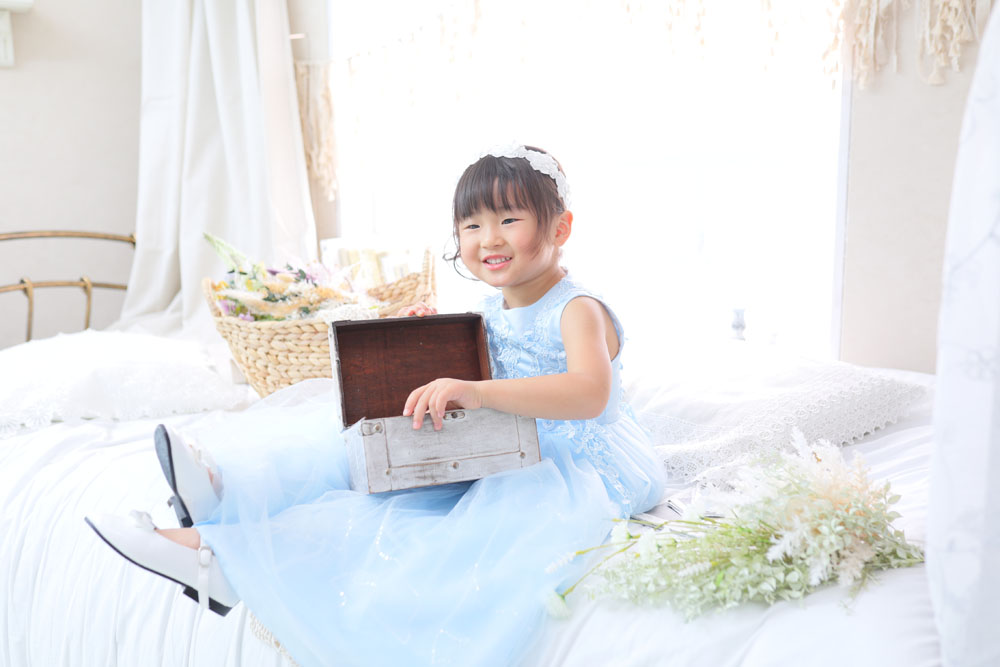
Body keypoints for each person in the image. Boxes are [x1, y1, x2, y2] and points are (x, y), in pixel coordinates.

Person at [86, 144, 666, 666]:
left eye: (509, 220)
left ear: (561, 227)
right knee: (351, 446)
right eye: (472, 225)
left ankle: (219, 557)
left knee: (444, 519)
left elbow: (589, 393)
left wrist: (477, 392)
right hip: (508, 435)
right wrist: (432, 340)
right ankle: (226, 495)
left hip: (579, 457)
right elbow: (485, 370)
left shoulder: (577, 308)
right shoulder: (492, 308)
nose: (489, 239)